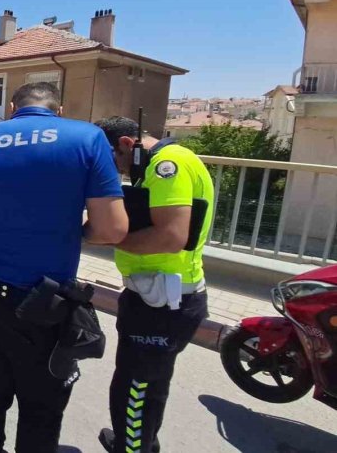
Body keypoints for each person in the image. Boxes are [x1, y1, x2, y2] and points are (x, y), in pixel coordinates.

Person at [0, 82, 128, 453]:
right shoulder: (87, 139)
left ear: (12, 108)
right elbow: (113, 229)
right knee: (41, 406)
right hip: (45, 304)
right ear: (59, 110)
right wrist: (74, 231)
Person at [93, 116, 213, 453]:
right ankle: (141, 442)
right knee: (149, 384)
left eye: (111, 160)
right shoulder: (161, 163)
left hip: (161, 302)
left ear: (126, 144)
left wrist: (108, 237)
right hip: (162, 296)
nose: (113, 169)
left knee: (134, 388)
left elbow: (170, 236)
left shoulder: (166, 165)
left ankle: (131, 447)